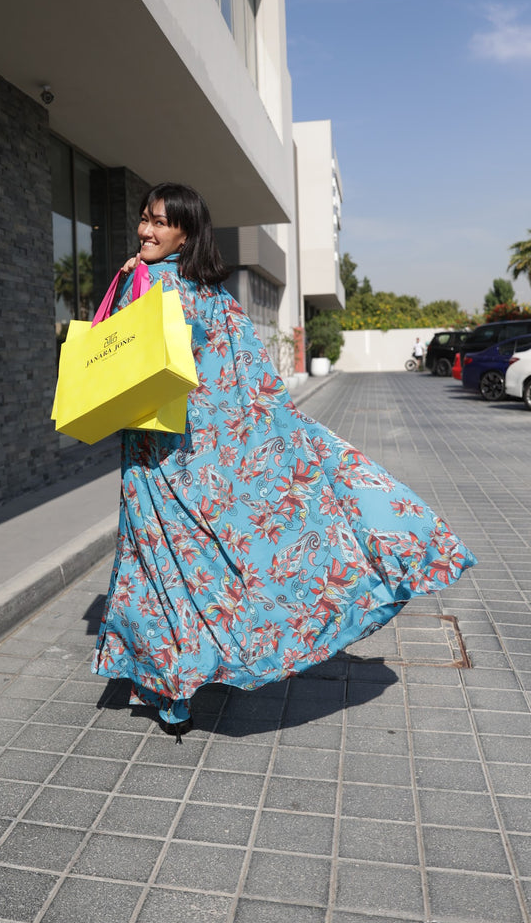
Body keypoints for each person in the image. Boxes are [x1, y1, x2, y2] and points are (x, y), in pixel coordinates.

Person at [92, 184, 476, 740]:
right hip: (197, 457)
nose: (146, 231)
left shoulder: (149, 285)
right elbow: (252, 382)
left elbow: (113, 360)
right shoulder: (212, 294)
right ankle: (179, 675)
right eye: (144, 220)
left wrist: (130, 284)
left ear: (186, 232)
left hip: (159, 457)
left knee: (159, 566)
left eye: (158, 223)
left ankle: (170, 684)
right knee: (192, 567)